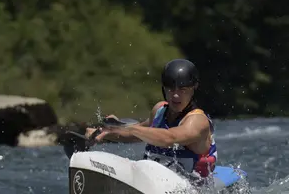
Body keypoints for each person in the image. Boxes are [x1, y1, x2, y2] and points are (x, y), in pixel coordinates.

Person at [84, 59, 217, 178]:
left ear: (194, 88)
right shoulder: (159, 110)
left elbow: (169, 138)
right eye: (171, 89)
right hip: (155, 180)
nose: (176, 95)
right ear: (164, 88)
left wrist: (125, 127)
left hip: (193, 186)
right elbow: (138, 134)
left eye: (182, 90)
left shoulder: (197, 121)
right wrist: (106, 132)